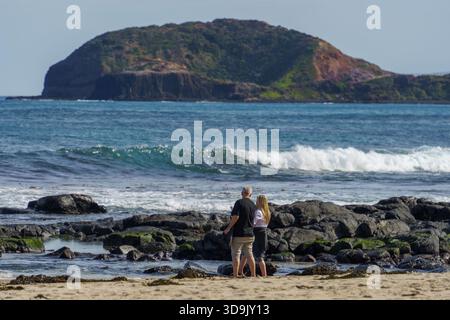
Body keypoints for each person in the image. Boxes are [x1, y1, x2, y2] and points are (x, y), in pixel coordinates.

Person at [223, 186, 257, 278]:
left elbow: (235, 217)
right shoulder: (253, 205)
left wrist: (228, 228)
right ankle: (253, 274)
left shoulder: (239, 203)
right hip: (250, 234)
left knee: (236, 254)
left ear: (242, 193)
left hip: (239, 233)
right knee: (250, 255)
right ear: (250, 194)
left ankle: (235, 274)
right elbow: (254, 220)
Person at [239, 195, 271, 277]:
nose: (255, 202)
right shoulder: (267, 212)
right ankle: (240, 270)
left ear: (260, 202)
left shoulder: (258, 212)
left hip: (257, 233)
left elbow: (253, 223)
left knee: (252, 253)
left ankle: (264, 274)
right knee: (253, 253)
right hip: (264, 233)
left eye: (257, 200)